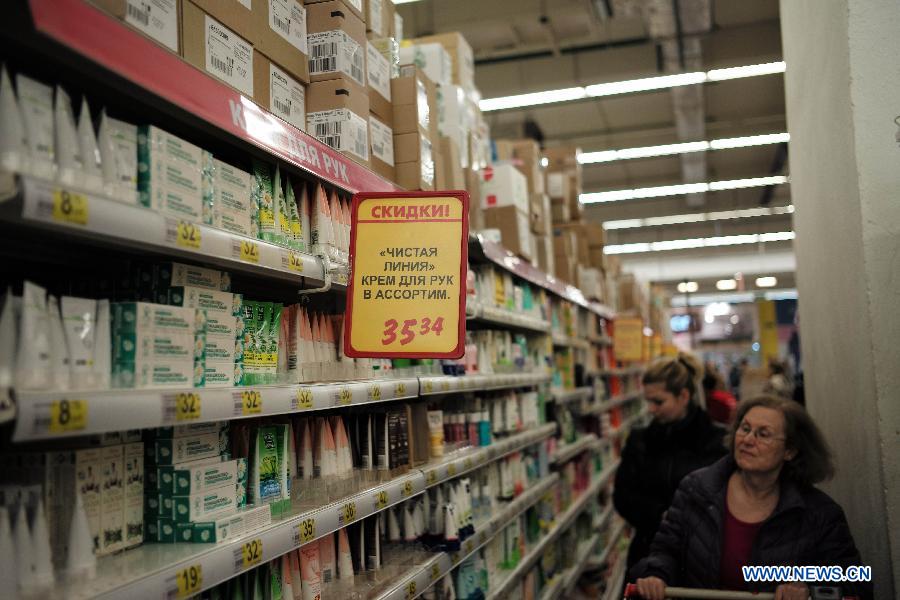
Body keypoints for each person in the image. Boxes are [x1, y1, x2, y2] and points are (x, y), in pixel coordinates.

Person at [631, 395, 872, 600]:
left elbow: (856, 580)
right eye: (744, 429)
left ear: (790, 450)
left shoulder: (819, 514)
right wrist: (656, 575)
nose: (747, 440)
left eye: (763, 434)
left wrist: (807, 587)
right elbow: (666, 549)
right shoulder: (696, 489)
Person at [613, 353, 727, 575]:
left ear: (683, 396)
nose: (651, 409)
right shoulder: (640, 441)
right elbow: (623, 497)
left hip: (703, 558)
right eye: (648, 401)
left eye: (658, 401)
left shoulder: (716, 441)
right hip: (648, 552)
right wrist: (660, 515)